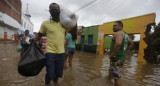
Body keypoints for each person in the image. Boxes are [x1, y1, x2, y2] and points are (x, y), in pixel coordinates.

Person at [35, 3, 72, 85]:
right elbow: (40, 35)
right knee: (50, 74)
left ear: (59, 11)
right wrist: (33, 41)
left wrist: (72, 17)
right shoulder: (45, 23)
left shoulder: (63, 23)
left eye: (56, 10)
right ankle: (47, 83)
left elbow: (72, 25)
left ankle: (55, 83)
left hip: (61, 52)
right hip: (50, 52)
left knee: (58, 74)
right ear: (50, 12)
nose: (54, 11)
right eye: (52, 10)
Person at [108, 21, 133, 86]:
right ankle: (108, 82)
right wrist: (124, 51)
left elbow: (118, 43)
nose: (113, 27)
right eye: (113, 26)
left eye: (115, 25)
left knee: (117, 77)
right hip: (120, 58)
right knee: (111, 70)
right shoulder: (126, 35)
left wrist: (112, 54)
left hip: (116, 58)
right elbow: (131, 43)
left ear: (120, 27)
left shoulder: (118, 33)